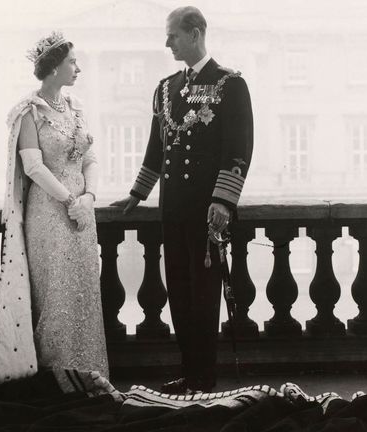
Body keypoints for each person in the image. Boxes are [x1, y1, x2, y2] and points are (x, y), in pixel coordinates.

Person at [111, 6, 254, 394]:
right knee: (178, 291)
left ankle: (204, 378)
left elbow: (238, 148)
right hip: (172, 209)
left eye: (173, 35)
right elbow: (156, 149)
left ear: (195, 33)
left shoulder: (229, 85)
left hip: (206, 213)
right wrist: (138, 193)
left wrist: (224, 201)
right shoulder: (166, 88)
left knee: (204, 297)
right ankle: (190, 373)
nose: (167, 43)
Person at [0, 32, 109, 385]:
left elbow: (91, 157)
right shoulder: (28, 113)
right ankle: (58, 381)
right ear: (54, 68)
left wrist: (89, 198)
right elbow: (34, 167)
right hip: (49, 214)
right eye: (72, 62)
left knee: (84, 291)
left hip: (82, 214)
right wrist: (69, 200)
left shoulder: (76, 107)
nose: (78, 68)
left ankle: (92, 376)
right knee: (54, 293)